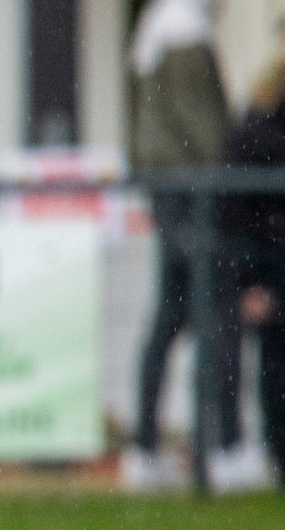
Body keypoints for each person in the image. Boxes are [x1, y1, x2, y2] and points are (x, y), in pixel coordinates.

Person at [126, 0, 261, 494]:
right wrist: (234, 181)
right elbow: (200, 125)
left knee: (170, 316)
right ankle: (224, 448)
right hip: (192, 193)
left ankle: (145, 447)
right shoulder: (183, 29)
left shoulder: (159, 26)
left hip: (171, 190)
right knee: (218, 311)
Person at [222, 58, 285, 490]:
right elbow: (237, 216)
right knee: (275, 365)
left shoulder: (251, 133)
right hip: (271, 269)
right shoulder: (255, 137)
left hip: (268, 267)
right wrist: (249, 281)